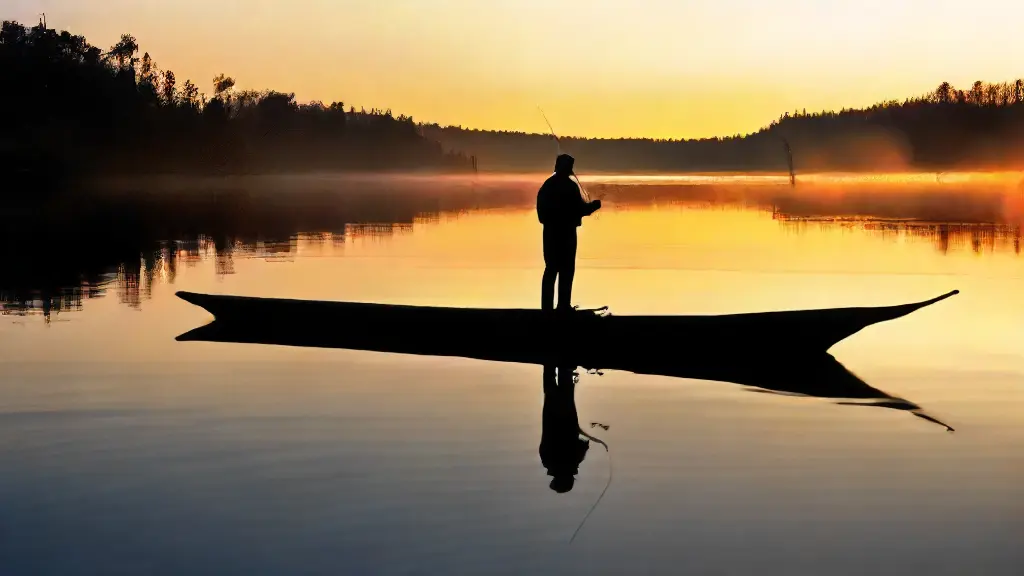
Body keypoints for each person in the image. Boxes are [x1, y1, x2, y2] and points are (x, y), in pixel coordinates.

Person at [536, 154, 601, 311]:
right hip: (567, 235)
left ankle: (547, 308)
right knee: (566, 270)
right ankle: (563, 306)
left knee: (551, 269)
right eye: (570, 166)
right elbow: (579, 209)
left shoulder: (547, 185)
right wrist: (593, 206)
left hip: (550, 234)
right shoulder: (570, 187)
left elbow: (541, 214)